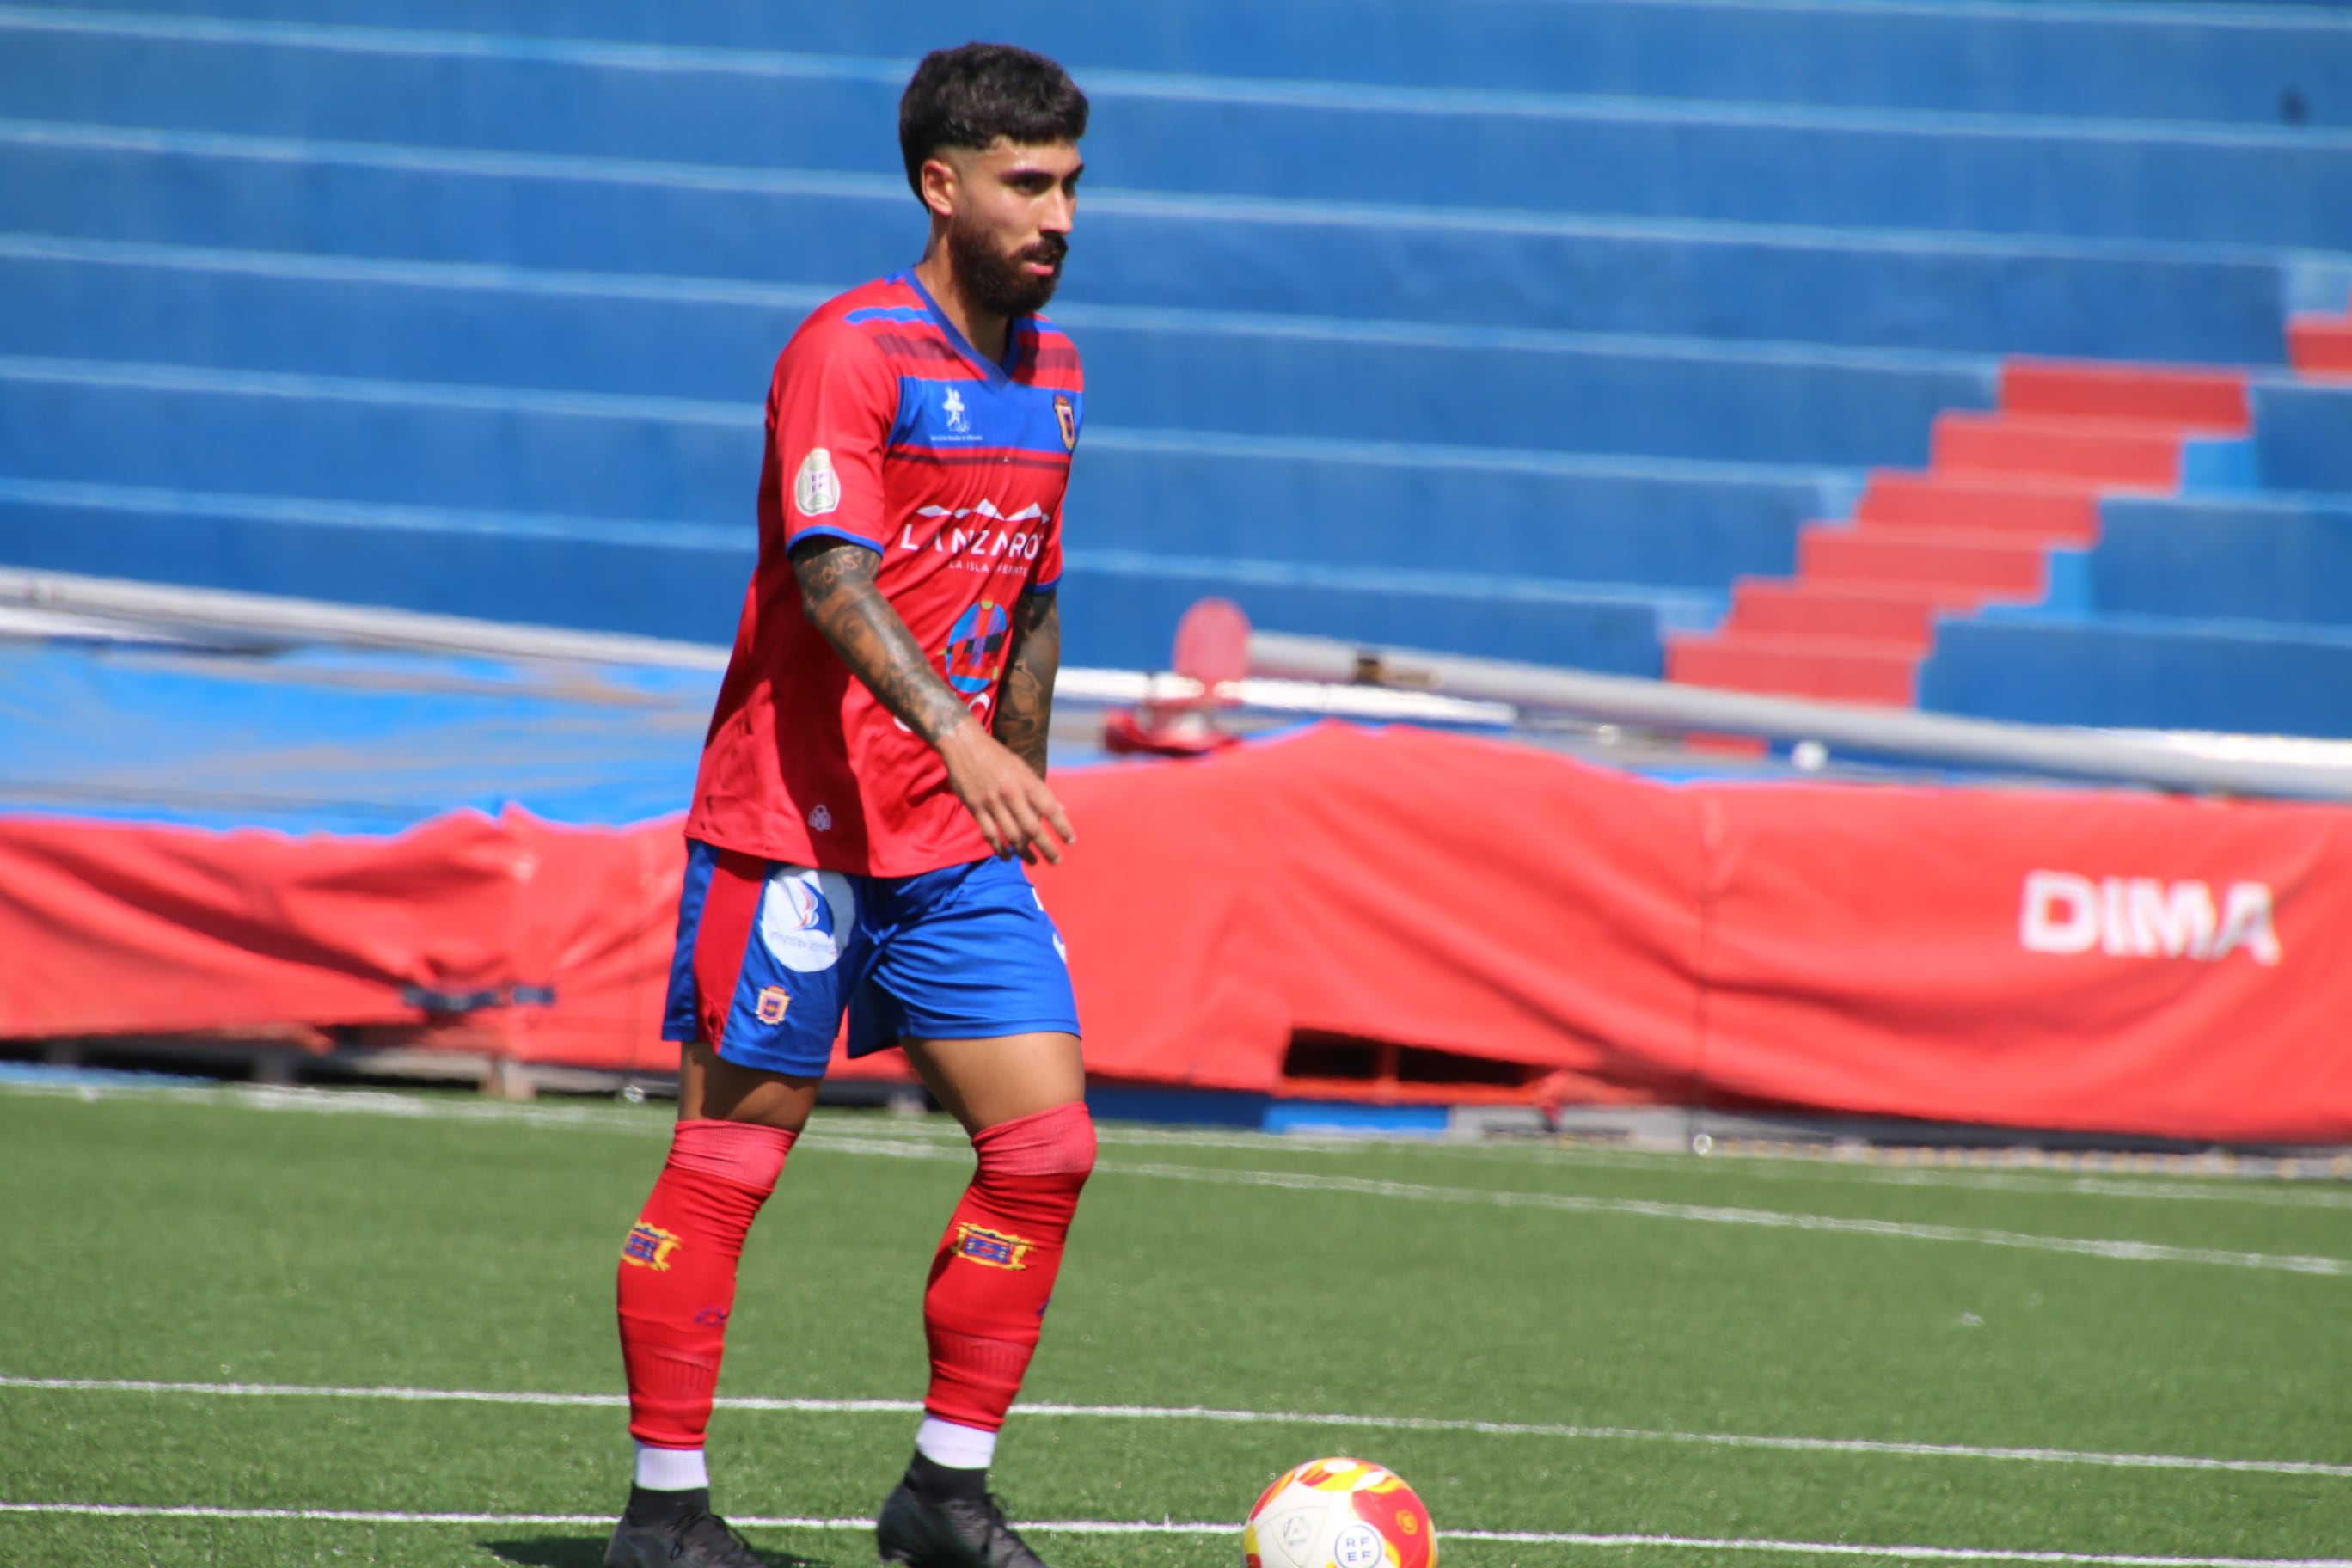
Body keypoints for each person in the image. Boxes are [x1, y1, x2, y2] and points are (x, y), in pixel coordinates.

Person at [605, 42, 1093, 1568]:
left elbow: (1030, 597)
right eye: (1028, 182)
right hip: (793, 832)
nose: (1059, 216)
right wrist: (961, 740)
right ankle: (664, 1516)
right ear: (940, 187)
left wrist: (1018, 765)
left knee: (1047, 1150)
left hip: (950, 844)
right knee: (730, 1163)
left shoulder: (1057, 375)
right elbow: (832, 577)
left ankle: (943, 1494)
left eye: (1073, 182)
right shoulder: (853, 349)